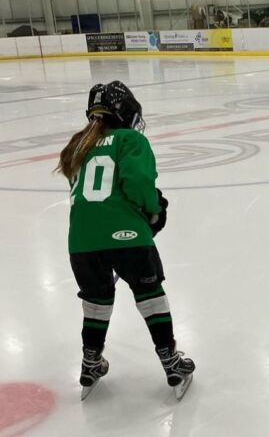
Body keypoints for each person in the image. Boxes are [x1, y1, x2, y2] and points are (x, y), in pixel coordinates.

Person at [55, 81, 195, 399]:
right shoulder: (129, 139)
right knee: (149, 293)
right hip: (128, 236)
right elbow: (138, 182)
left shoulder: (78, 146)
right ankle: (172, 362)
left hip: (81, 243)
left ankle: (91, 363)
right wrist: (155, 210)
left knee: (96, 301)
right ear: (125, 112)